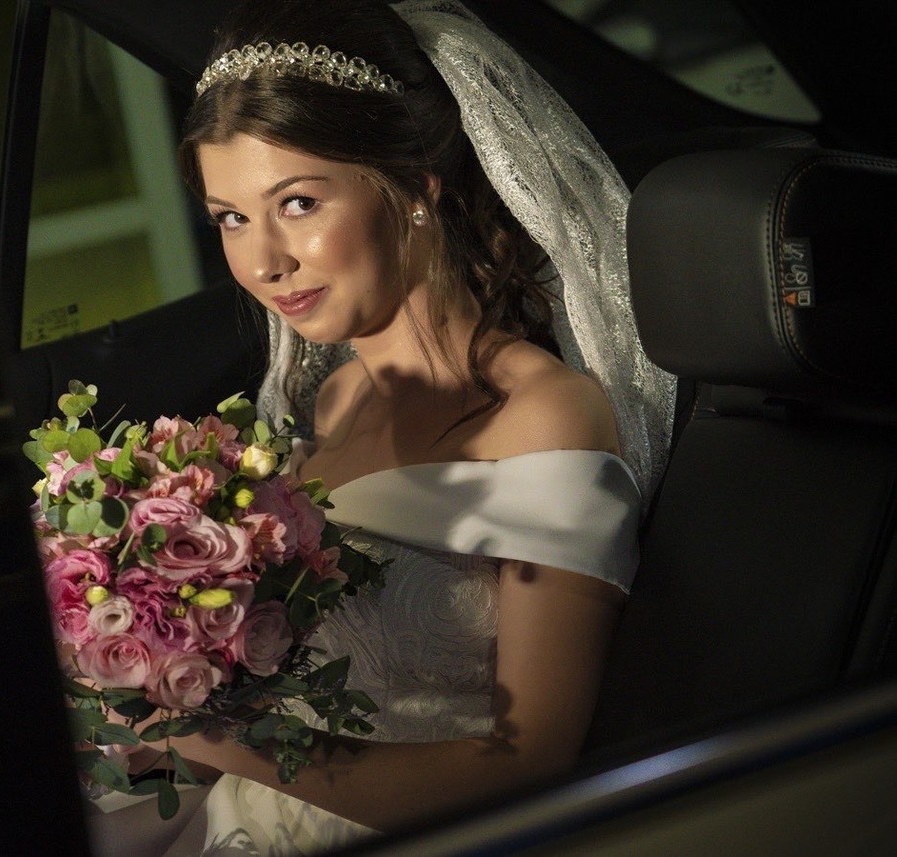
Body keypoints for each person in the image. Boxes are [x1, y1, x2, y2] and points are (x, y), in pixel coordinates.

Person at [87, 1, 676, 854]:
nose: (263, 261)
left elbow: (531, 766)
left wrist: (225, 740)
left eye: (298, 202)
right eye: (231, 217)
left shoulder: (540, 415)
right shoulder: (332, 401)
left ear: (415, 188)